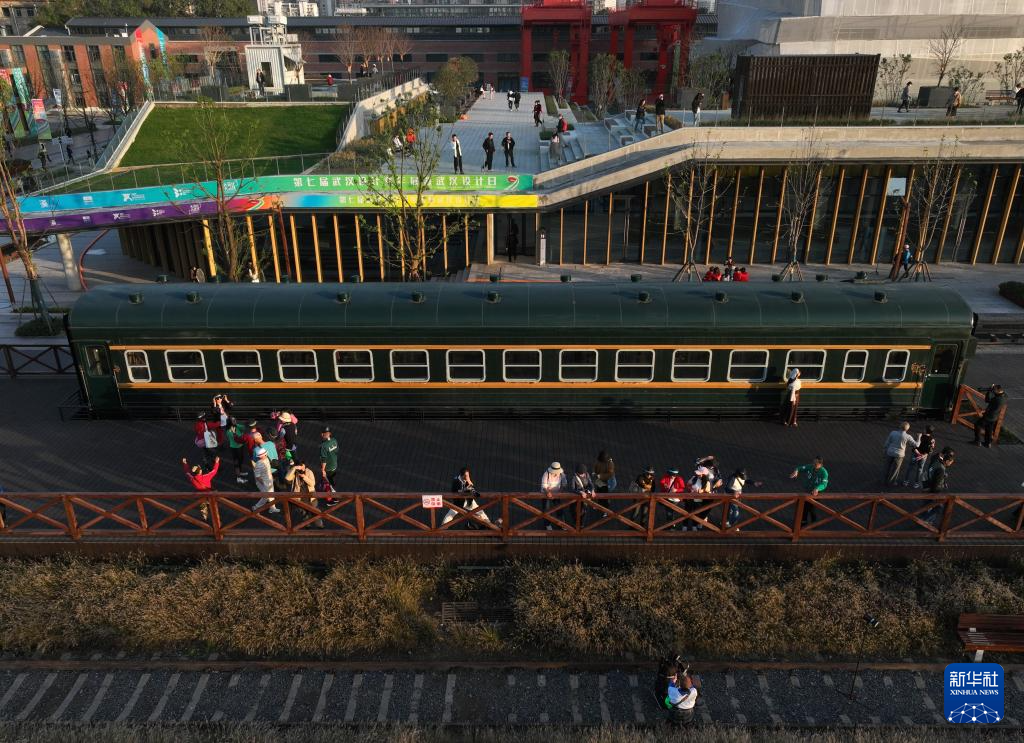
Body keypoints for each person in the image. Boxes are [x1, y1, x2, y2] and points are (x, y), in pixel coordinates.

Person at [658, 659, 702, 726]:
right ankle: (686, 724)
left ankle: (671, 723)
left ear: (680, 685)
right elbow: (693, 686)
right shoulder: (694, 691)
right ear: (690, 685)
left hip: (674, 713)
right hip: (688, 713)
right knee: (688, 721)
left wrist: (674, 680)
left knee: (667, 700)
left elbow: (670, 684)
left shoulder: (672, 690)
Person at [790, 456, 829, 526]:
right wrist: (796, 471)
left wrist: (817, 488)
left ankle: (813, 522)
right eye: (814, 462)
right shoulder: (811, 467)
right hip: (808, 491)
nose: (814, 465)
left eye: (816, 464)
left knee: (811, 508)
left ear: (820, 464)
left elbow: (824, 484)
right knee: (804, 506)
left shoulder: (824, 472)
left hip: (817, 493)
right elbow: (801, 468)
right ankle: (803, 522)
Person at [182, 456, 220, 522]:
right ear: (200, 471)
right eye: (200, 469)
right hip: (209, 495)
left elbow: (187, 472)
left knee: (203, 506)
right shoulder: (206, 477)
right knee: (213, 507)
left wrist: (185, 463)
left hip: (201, 496)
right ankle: (216, 520)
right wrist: (216, 462)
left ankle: (205, 517)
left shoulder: (192, 479)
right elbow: (214, 471)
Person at [285, 461, 322, 528]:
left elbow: (312, 484)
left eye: (302, 466)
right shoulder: (295, 472)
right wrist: (294, 468)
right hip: (300, 498)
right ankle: (307, 525)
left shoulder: (309, 472)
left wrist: (304, 477)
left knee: (316, 512)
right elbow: (287, 478)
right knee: (304, 513)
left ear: (304, 465)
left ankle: (320, 526)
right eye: (299, 466)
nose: (301, 468)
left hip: (311, 497)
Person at [884, 422, 920, 487]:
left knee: (887, 467)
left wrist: (885, 450)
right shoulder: (908, 436)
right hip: (899, 454)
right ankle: (891, 482)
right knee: (895, 469)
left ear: (900, 426)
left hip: (890, 452)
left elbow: (887, 443)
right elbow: (917, 445)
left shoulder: (893, 433)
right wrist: (919, 437)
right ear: (907, 429)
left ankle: (884, 480)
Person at [251, 447, 279, 513]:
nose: (266, 455)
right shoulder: (258, 464)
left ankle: (272, 508)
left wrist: (271, 477)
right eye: (265, 454)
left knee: (271, 494)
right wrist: (264, 483)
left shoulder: (266, 459)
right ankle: (256, 507)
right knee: (266, 496)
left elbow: (268, 469)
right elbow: (257, 477)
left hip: (269, 480)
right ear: (261, 456)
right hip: (263, 482)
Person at [541, 461, 567, 530]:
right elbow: (544, 486)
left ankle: (562, 524)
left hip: (557, 494)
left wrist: (560, 491)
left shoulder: (562, 474)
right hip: (546, 494)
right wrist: (548, 492)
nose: (556, 473)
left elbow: (564, 484)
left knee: (559, 509)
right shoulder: (546, 474)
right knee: (547, 510)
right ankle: (547, 525)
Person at [225, 417, 248, 485]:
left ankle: (240, 472)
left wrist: (240, 426)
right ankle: (238, 478)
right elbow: (238, 438)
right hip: (235, 448)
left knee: (241, 460)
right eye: (233, 420)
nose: (235, 420)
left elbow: (244, 428)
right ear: (230, 422)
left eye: (235, 419)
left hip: (240, 446)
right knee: (237, 463)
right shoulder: (229, 431)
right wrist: (240, 434)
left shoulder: (236, 426)